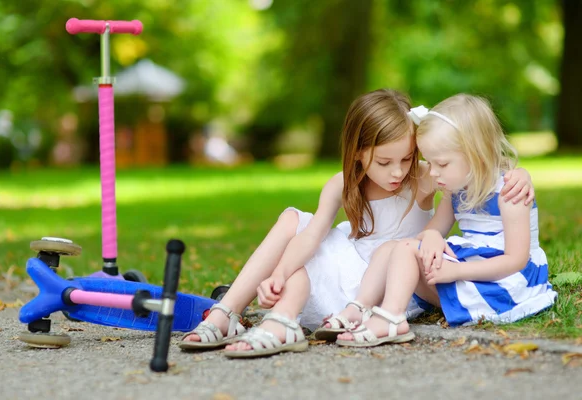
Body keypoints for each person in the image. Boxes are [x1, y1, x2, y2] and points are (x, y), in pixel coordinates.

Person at [179, 89, 533, 358]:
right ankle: (226, 314)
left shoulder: (426, 178)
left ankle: (279, 321)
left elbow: (476, 162)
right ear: (359, 152)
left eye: (407, 158)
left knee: (303, 258)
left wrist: (521, 174)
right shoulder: (342, 183)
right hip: (347, 268)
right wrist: (280, 272)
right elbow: (314, 233)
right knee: (293, 225)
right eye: (384, 161)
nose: (397, 171)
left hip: (380, 284)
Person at [336, 94, 556, 348]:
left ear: (478, 156)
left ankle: (392, 317)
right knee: (392, 247)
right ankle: (360, 307)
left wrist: (457, 271)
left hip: (504, 285)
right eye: (429, 162)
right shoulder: (455, 189)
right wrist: (430, 236)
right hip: (472, 270)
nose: (431, 172)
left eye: (441, 163)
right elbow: (432, 230)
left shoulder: (509, 192)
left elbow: (517, 260)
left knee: (406, 249)